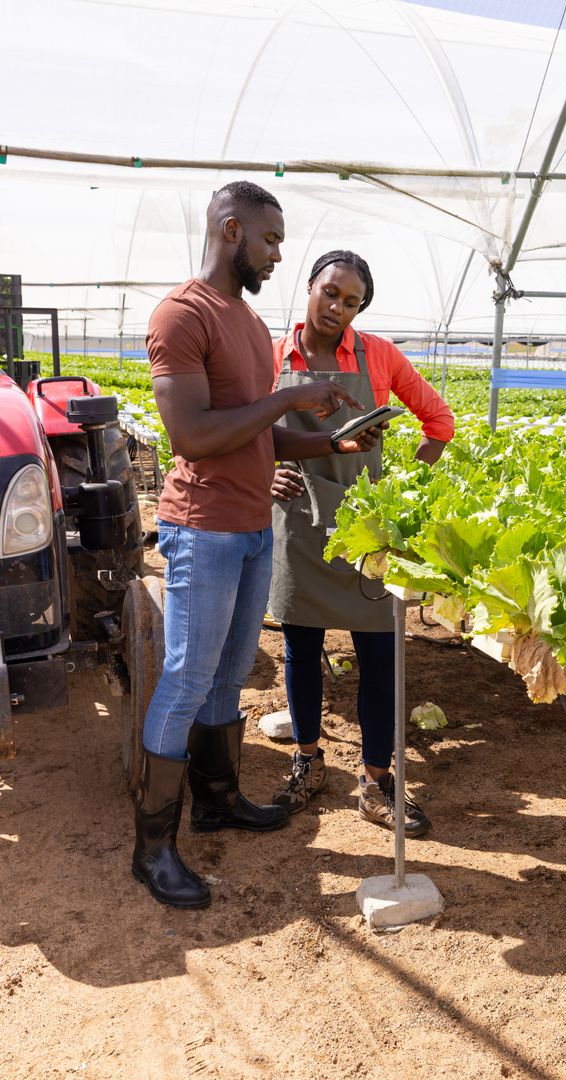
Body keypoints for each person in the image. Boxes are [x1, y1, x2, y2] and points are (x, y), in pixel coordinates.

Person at [136, 187, 383, 909]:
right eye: (271, 241)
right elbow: (195, 436)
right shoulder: (182, 314)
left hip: (249, 527)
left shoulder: (246, 320)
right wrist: (288, 397)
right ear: (231, 229)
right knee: (186, 677)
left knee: (227, 677)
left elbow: (262, 435)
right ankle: (151, 850)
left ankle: (217, 800)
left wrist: (333, 438)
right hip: (204, 525)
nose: (279, 255)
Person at [270, 250, 454, 836]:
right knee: (301, 650)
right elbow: (242, 429)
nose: (338, 308)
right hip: (296, 523)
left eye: (352, 302)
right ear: (310, 288)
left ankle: (376, 781)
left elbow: (439, 421)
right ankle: (307, 761)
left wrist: (409, 484)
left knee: (379, 656)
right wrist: (260, 471)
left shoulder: (379, 355)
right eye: (331, 293)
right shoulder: (272, 356)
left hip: (367, 527)